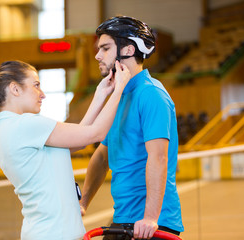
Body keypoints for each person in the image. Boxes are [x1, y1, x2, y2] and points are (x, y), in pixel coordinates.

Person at [0, 60, 131, 240]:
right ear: (15, 89)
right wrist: (119, 89)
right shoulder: (25, 125)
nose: (42, 94)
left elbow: (79, 139)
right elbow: (95, 134)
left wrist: (101, 94)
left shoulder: (8, 128)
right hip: (54, 233)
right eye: (36, 85)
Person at [80, 16, 184, 239]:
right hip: (125, 217)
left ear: (127, 49)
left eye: (105, 48)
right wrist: (83, 202)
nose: (98, 55)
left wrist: (150, 217)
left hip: (153, 223)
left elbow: (158, 158)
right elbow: (101, 156)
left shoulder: (151, 94)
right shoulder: (120, 96)